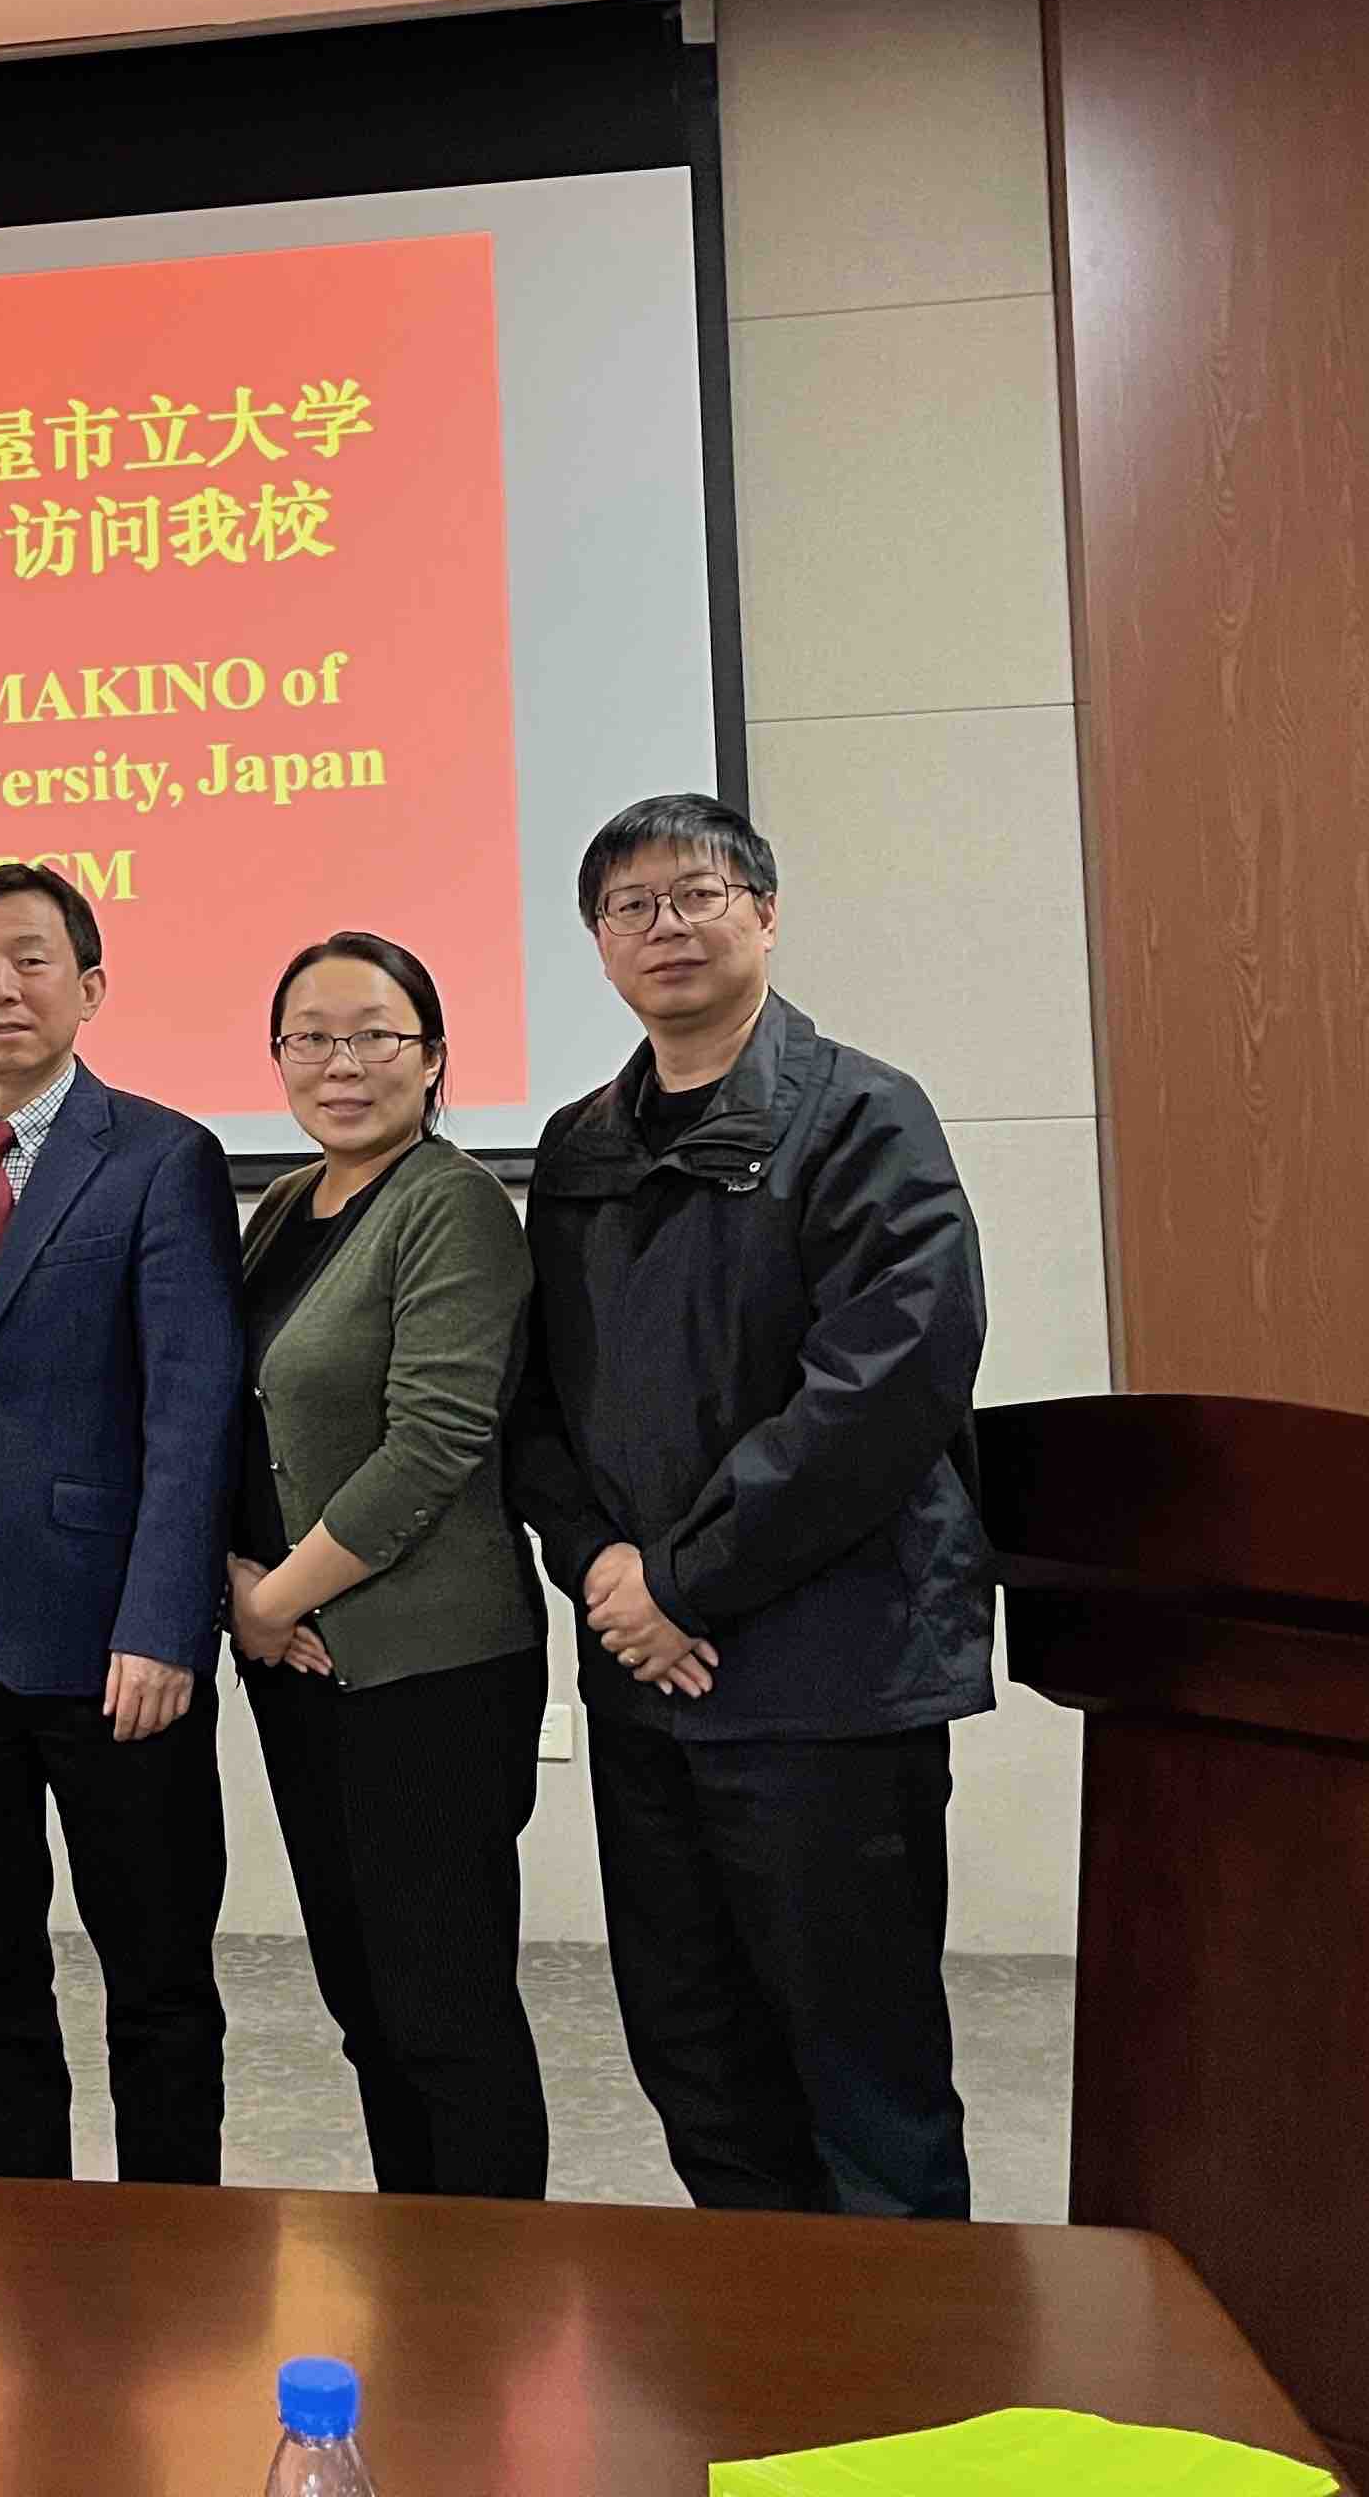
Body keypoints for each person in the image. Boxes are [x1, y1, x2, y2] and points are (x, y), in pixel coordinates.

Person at [511, 791, 993, 2219]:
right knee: (697, 2053)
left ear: (766, 915)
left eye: (698, 895)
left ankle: (907, 2396)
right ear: (598, 947)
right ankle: (769, 2365)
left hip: (827, 1677)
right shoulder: (580, 1144)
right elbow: (536, 1405)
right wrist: (601, 1564)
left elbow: (882, 1392)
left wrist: (682, 1585)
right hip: (646, 1685)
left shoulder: (862, 1116)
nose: (665, 927)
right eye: (631, 908)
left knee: (864, 2073)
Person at [0, 864, 240, 2183]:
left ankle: (173, 2250)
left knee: (158, 1975)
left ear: (91, 985)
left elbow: (191, 1409)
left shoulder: (164, 1154)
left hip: (114, 1644)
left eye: (30, 959)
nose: (0, 986)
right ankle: (11, 2237)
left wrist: (165, 1623)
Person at [226, 933, 548, 2198]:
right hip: (302, 1673)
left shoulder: (451, 1203)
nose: (341, 1063)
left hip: (429, 1669)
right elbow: (234, 1413)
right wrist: (238, 1588)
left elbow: (436, 1444)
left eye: (376, 1036)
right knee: (365, 1997)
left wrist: (272, 1597)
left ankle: (493, 2286)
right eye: (311, 1037)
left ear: (434, 1057)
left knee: (444, 2006)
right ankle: (422, 2266)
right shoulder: (283, 1209)